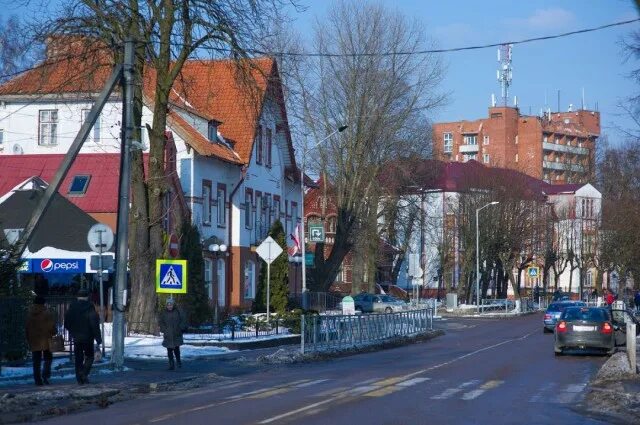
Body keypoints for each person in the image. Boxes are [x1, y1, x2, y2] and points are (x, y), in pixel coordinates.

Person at [64, 289, 101, 384]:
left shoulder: (72, 307)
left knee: (78, 358)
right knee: (89, 356)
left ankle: (79, 379)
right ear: (87, 297)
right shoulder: (90, 307)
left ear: (77, 297)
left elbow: (67, 323)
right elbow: (94, 324)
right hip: (88, 337)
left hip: (76, 337)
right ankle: (84, 373)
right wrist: (98, 338)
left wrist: (72, 332)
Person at [25, 296, 56, 386]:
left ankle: (37, 380)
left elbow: (27, 328)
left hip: (34, 340)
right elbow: (51, 327)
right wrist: (54, 332)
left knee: (36, 361)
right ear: (43, 303)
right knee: (48, 358)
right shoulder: (46, 313)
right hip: (45, 340)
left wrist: (28, 338)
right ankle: (45, 375)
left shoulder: (30, 313)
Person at [159, 297, 187, 370]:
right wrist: (164, 329)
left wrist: (180, 328)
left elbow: (183, 320)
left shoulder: (178, 311)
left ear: (173, 305)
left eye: (171, 305)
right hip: (168, 334)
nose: (169, 306)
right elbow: (161, 322)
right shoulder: (164, 313)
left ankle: (178, 361)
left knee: (176, 349)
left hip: (176, 333)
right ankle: (171, 364)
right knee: (169, 350)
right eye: (168, 305)